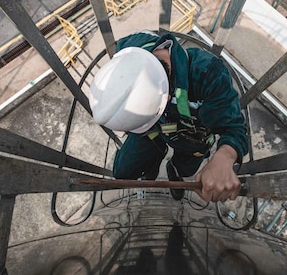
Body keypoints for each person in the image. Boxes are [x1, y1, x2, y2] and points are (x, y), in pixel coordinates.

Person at [89, 30, 248, 202]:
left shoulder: (207, 74)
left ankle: (175, 171)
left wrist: (224, 157)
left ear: (168, 98)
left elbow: (234, 128)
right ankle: (151, 167)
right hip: (153, 131)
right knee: (123, 172)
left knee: (186, 169)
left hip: (191, 137)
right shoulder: (130, 50)